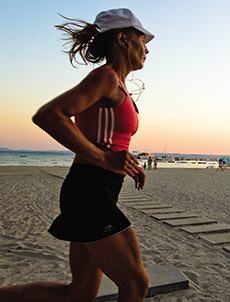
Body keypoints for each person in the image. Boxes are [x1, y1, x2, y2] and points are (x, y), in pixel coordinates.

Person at [0, 8, 154, 302]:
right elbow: (49, 115)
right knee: (136, 284)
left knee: (79, 293)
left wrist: (126, 161)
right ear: (122, 39)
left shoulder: (119, 86)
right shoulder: (105, 78)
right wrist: (103, 159)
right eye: (141, 39)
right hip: (89, 191)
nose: (146, 48)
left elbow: (107, 137)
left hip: (99, 188)